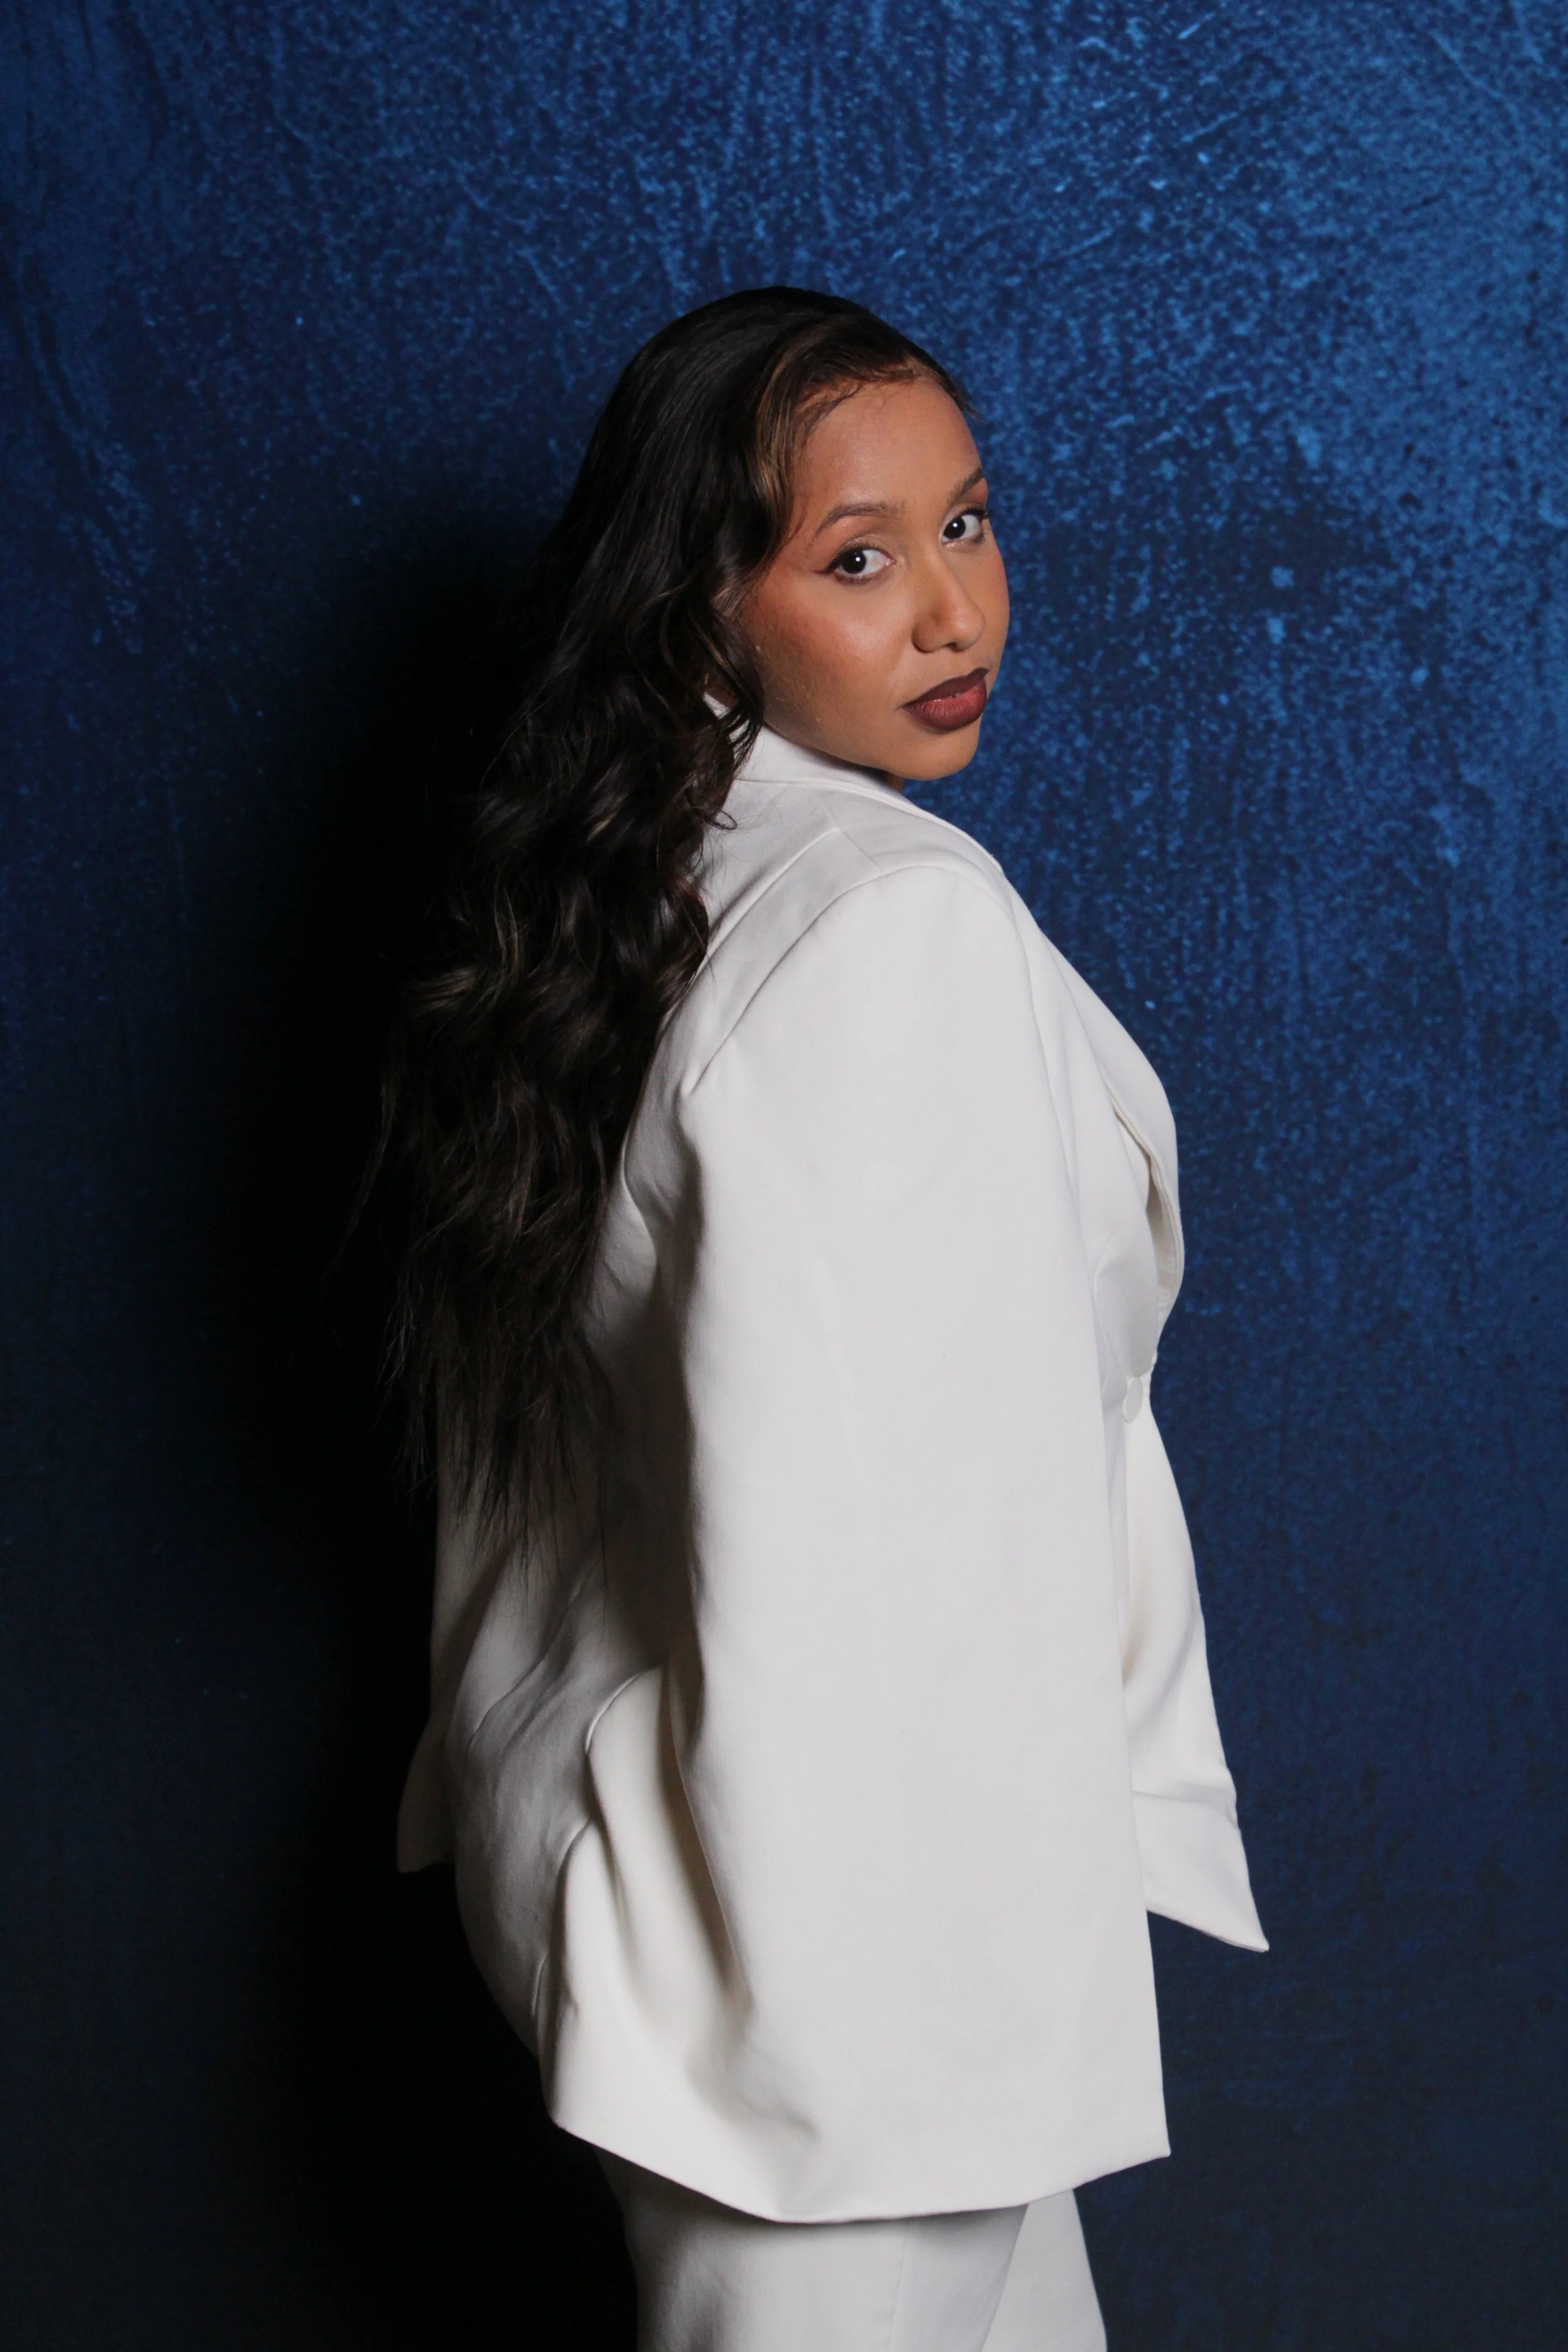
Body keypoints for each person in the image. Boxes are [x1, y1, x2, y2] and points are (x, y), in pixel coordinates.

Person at [386, 287, 1266, 2351]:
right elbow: (885, 1565)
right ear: (701, 614)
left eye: (965, 522)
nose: (954, 610)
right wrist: (894, 2040)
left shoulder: (636, 882)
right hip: (848, 1968)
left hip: (666, 1876)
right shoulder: (887, 927)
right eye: (857, 559)